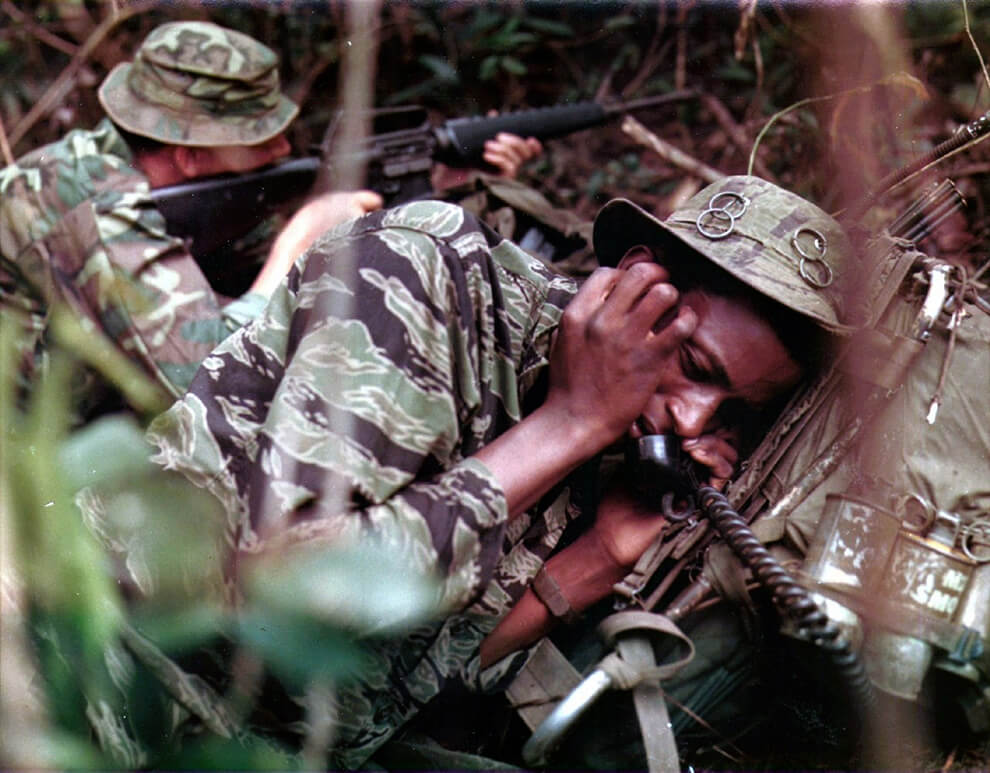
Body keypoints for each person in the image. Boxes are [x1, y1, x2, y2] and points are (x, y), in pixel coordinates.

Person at [145, 173, 852, 768]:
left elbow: (386, 695)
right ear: (635, 281)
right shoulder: (426, 271)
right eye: (696, 367)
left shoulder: (610, 448)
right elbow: (284, 605)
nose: (694, 422)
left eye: (732, 413)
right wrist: (566, 426)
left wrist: (596, 555)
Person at [0, 20, 541, 418]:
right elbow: (203, 379)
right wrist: (298, 243)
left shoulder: (161, 187)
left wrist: (437, 190)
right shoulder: (85, 204)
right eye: (262, 138)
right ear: (191, 156)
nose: (285, 147)